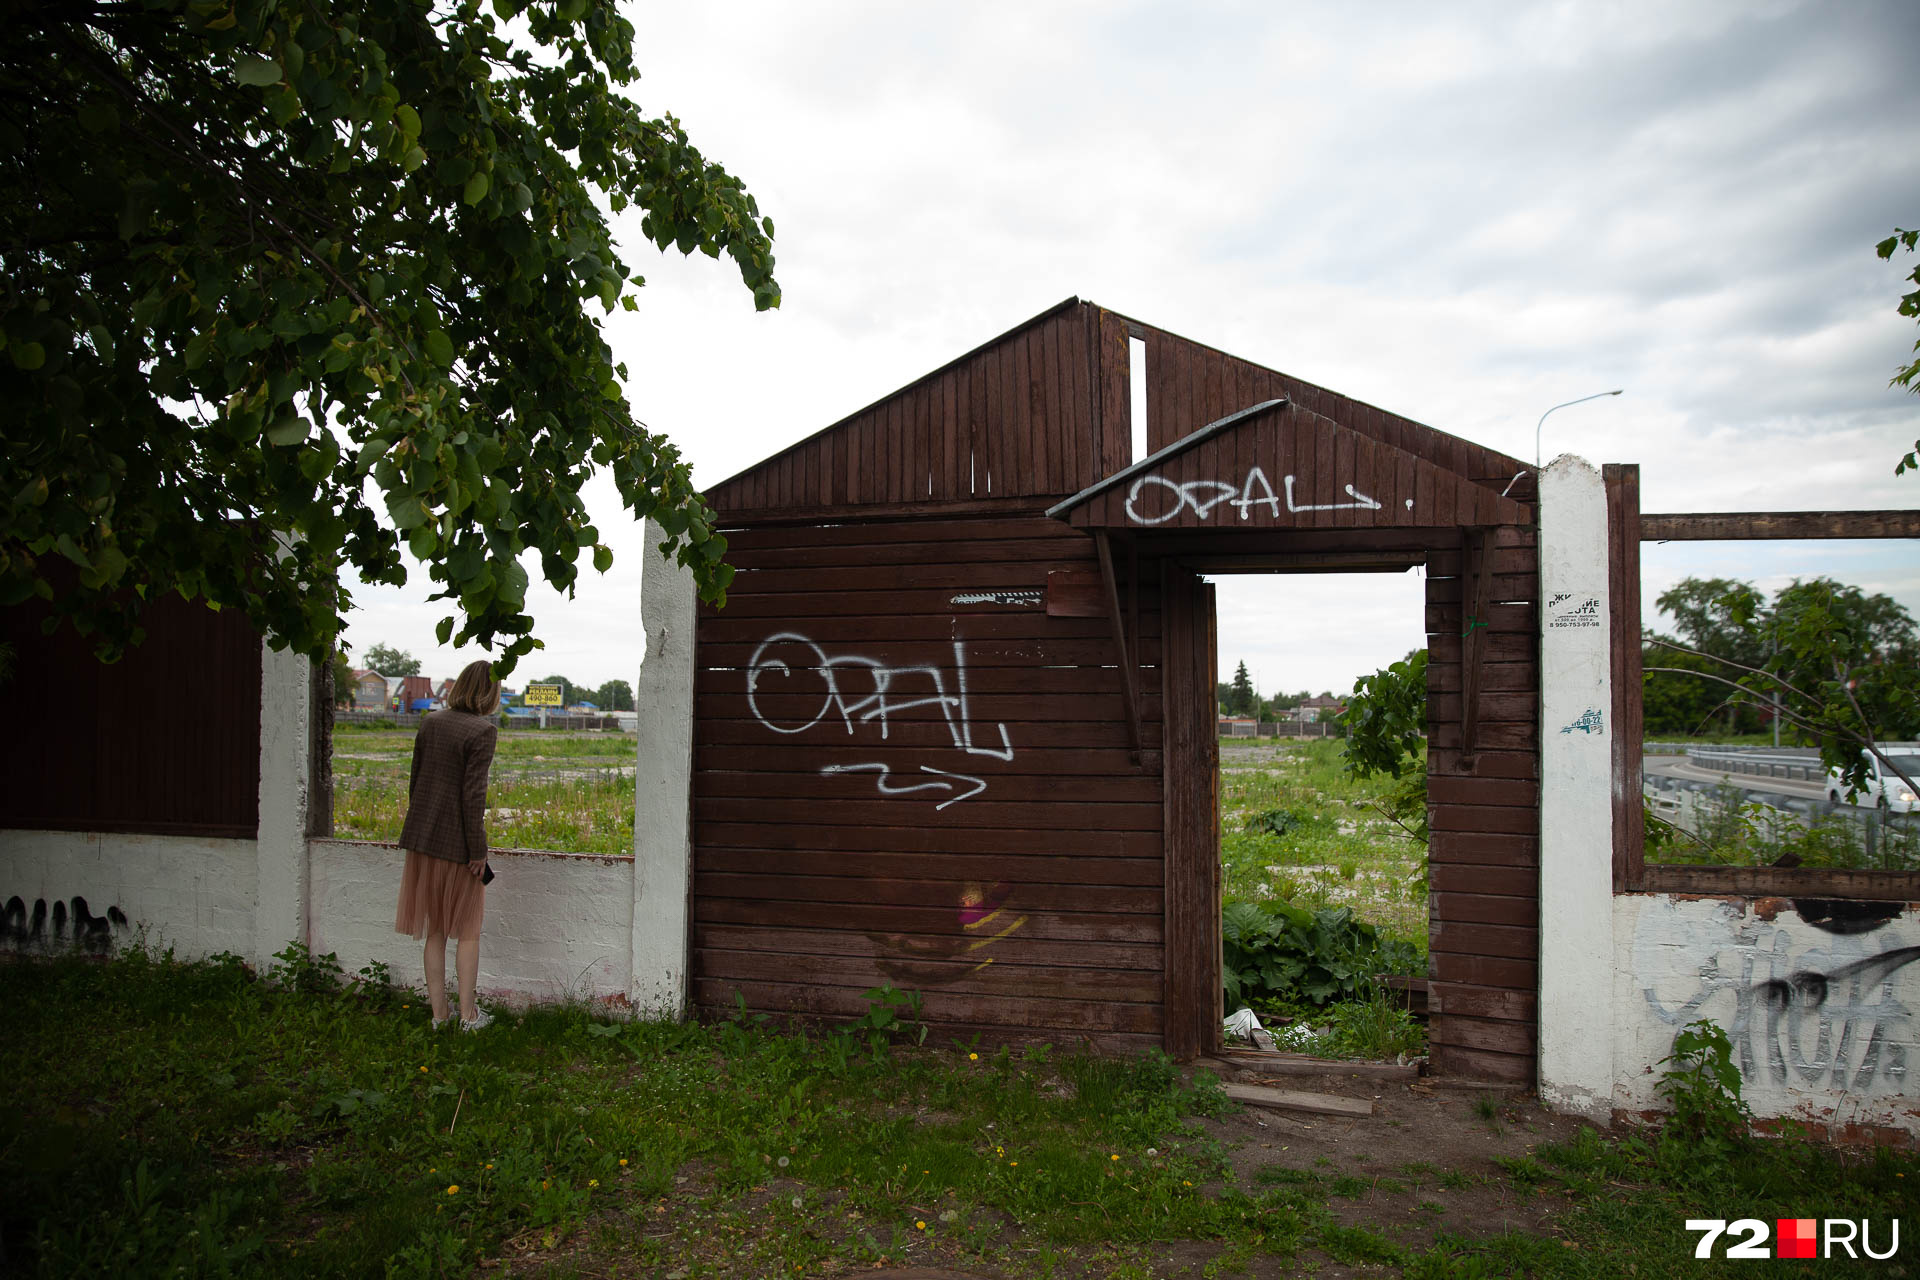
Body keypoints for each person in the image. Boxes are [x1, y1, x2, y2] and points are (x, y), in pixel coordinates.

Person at [394, 659, 500, 1031]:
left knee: (435, 930)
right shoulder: (482, 731)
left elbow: (415, 783)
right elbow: (473, 798)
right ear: (490, 692)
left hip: (422, 840)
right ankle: (469, 1017)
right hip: (458, 846)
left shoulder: (431, 723)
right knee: (468, 931)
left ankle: (440, 1016)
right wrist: (477, 852)